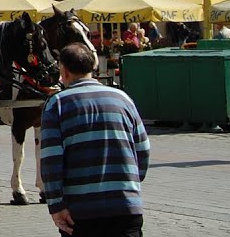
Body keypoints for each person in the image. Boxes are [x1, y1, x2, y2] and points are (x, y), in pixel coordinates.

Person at [40, 42, 150, 236]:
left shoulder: (57, 104)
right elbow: (143, 150)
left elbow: (51, 160)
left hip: (81, 213)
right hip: (126, 207)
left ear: (63, 71)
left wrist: (56, 204)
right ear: (94, 67)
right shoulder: (123, 98)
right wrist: (127, 184)